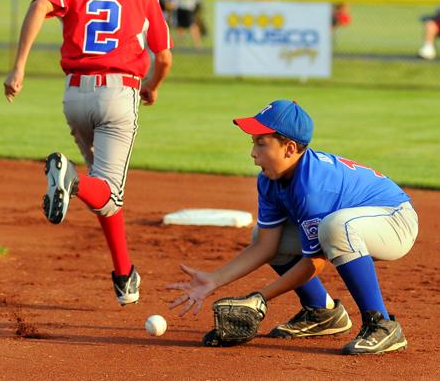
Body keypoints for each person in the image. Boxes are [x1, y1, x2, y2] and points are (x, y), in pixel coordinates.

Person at [3, 0, 173, 306]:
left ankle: (123, 275)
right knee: (105, 191)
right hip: (118, 94)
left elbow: (38, 6)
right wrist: (152, 86)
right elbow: (164, 56)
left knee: (103, 194)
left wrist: (18, 69)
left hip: (75, 96)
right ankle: (71, 181)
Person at [168, 99, 418, 355]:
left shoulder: (313, 187)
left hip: (394, 221)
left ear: (289, 148)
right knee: (266, 236)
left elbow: (314, 262)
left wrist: (260, 298)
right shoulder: (269, 180)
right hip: (362, 220)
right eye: (253, 143)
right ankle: (321, 312)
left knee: (335, 228)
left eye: (261, 143)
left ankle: (382, 325)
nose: (253, 152)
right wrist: (214, 279)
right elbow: (266, 246)